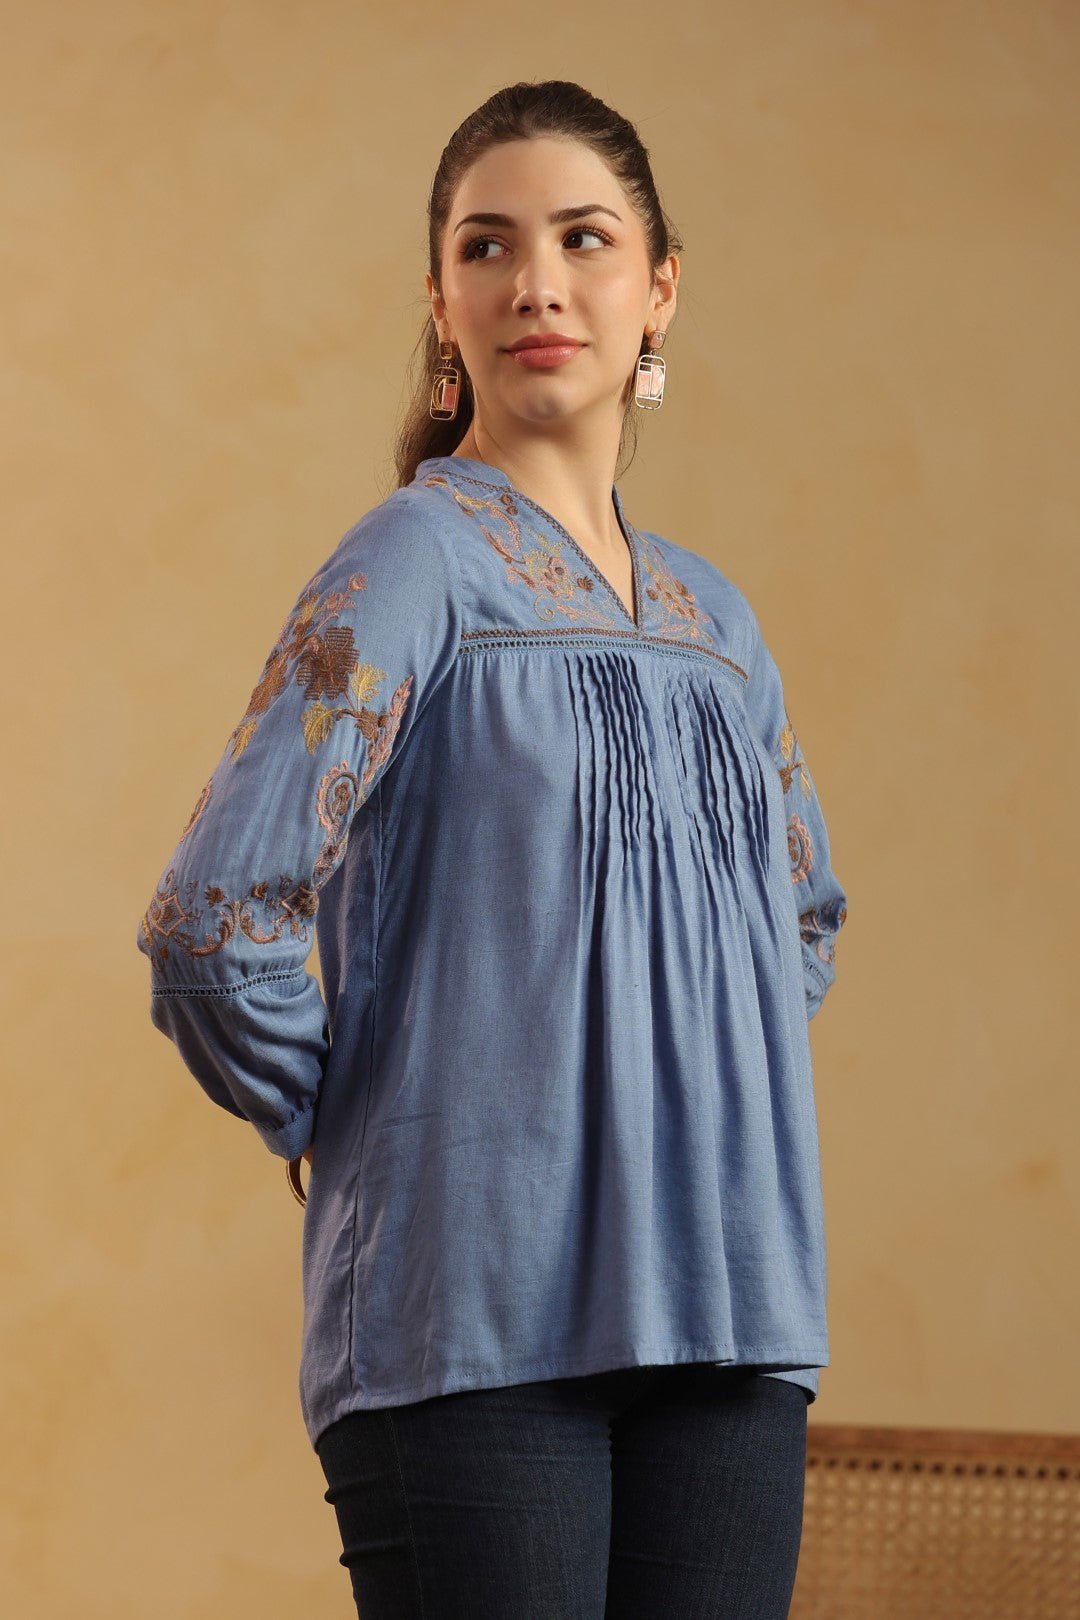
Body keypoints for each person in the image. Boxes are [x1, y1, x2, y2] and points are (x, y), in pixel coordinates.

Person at [136, 78, 848, 1620]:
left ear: (660, 290)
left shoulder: (718, 624)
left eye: (583, 239)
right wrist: (349, 1116)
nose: (536, 282)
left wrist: (685, 1093)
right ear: (442, 304)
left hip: (735, 1320)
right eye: (487, 245)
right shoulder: (414, 562)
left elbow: (802, 921)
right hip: (470, 1322)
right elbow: (211, 921)